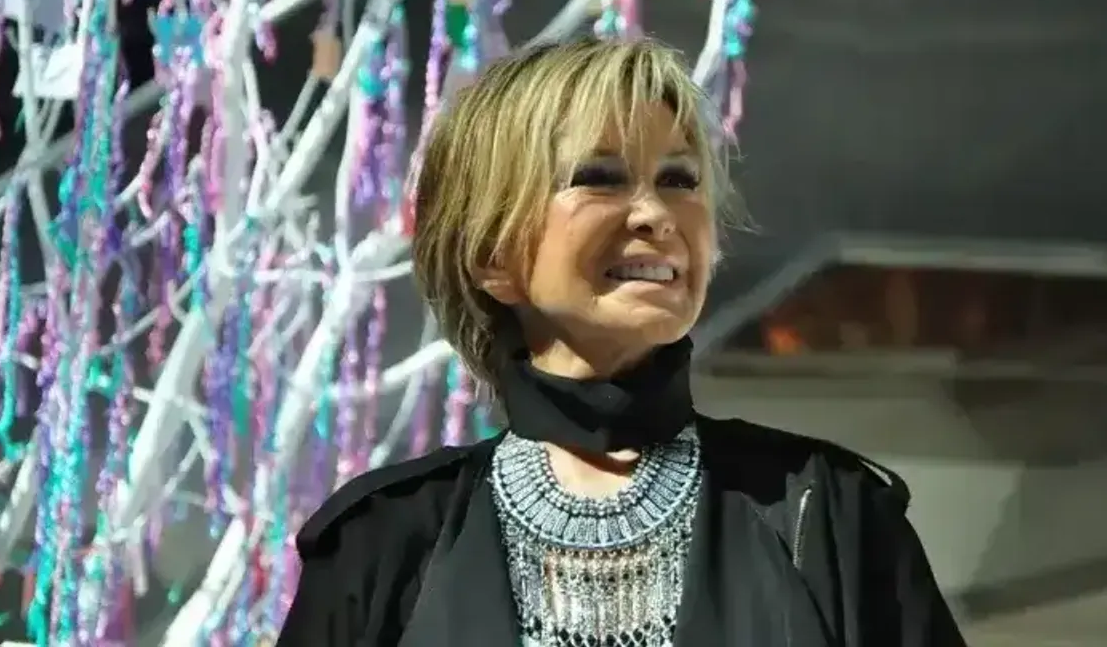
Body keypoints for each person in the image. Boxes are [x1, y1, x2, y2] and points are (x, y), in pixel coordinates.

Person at [276, 37, 967, 647]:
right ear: (492, 255)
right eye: (599, 178)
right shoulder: (383, 543)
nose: (656, 214)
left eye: (679, 180)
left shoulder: (830, 515)